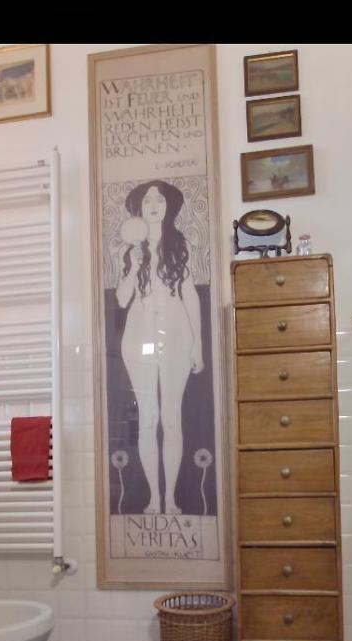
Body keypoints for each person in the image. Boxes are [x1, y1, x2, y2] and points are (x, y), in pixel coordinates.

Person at [114, 180, 204, 516]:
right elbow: (122, 299)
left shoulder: (180, 245)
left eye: (160, 199)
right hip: (138, 339)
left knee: (172, 419)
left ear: (168, 207)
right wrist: (135, 266)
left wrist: (198, 345)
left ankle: (171, 500)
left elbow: (190, 295)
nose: (154, 205)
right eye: (148, 200)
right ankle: (154, 498)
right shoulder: (129, 251)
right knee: (148, 419)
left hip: (177, 336)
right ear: (139, 208)